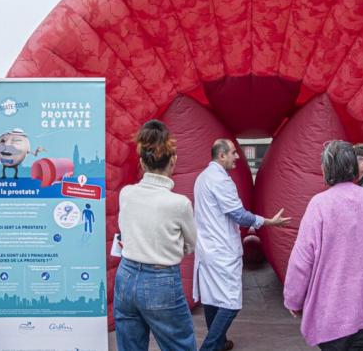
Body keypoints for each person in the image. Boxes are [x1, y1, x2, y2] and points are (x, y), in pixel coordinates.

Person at [283, 140, 363, 350]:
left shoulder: (320, 204)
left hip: (335, 311)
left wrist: (293, 299)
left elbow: (302, 259)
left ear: (326, 168)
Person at [193, 138, 290, 351]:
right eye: (234, 153)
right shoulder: (221, 181)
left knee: (211, 299)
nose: (238, 157)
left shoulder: (202, 178)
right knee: (230, 303)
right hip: (222, 251)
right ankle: (209, 347)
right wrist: (268, 222)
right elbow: (239, 215)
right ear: (222, 156)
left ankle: (219, 342)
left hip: (207, 250)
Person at [114, 120, 197, 351]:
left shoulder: (126, 194)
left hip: (126, 276)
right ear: (174, 160)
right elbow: (190, 245)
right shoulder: (179, 204)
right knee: (179, 346)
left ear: (141, 162)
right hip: (160, 279)